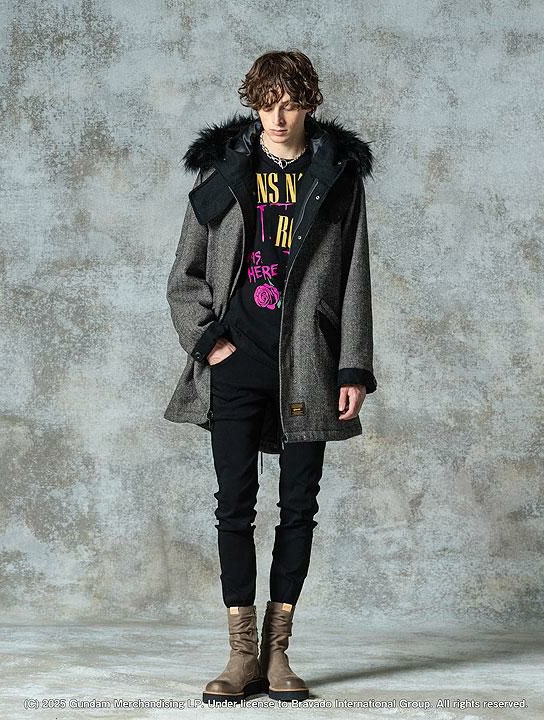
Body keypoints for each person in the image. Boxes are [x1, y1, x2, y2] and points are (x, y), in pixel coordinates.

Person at [164, 49, 377, 705]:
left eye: (289, 104)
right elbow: (184, 275)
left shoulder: (336, 175)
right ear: (253, 105)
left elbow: (355, 277)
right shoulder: (225, 173)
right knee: (234, 504)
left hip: (308, 363)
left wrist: (352, 366)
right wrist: (210, 343)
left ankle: (278, 652)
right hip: (235, 362)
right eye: (266, 105)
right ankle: (241, 654)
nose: (277, 118)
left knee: (299, 507)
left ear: (309, 103)